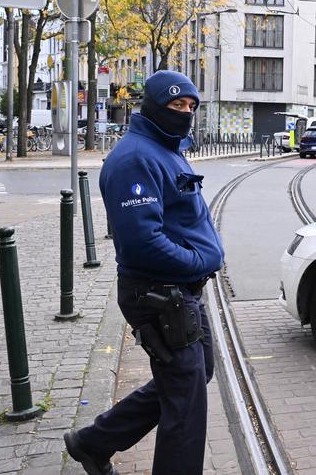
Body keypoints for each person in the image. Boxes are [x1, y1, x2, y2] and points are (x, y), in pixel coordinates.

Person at [64, 71, 224, 475]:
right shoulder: (136, 158)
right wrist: (198, 261)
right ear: (152, 107)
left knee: (195, 373)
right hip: (159, 294)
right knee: (186, 404)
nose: (185, 113)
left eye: (191, 107)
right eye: (176, 106)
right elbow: (142, 242)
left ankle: (93, 442)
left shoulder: (165, 148)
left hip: (179, 292)